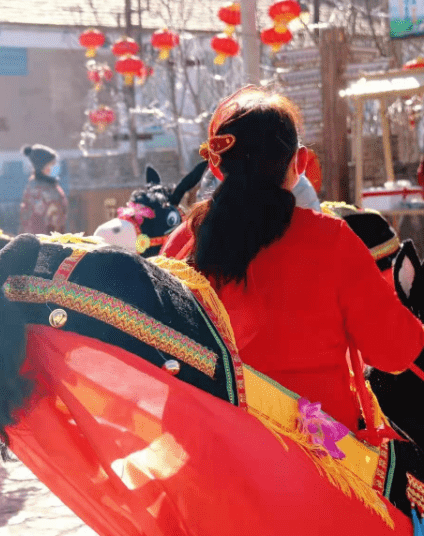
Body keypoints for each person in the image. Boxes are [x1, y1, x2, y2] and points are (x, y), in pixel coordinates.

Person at [162, 85, 424, 432]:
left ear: (219, 168)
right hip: (318, 457)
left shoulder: (181, 244)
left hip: (214, 449)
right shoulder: (332, 241)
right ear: (300, 163)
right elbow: (394, 351)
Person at [19, 144, 68, 234]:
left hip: (54, 238)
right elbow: (36, 223)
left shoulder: (50, 186)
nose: (56, 166)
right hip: (44, 242)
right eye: (52, 164)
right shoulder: (38, 190)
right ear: (42, 167)